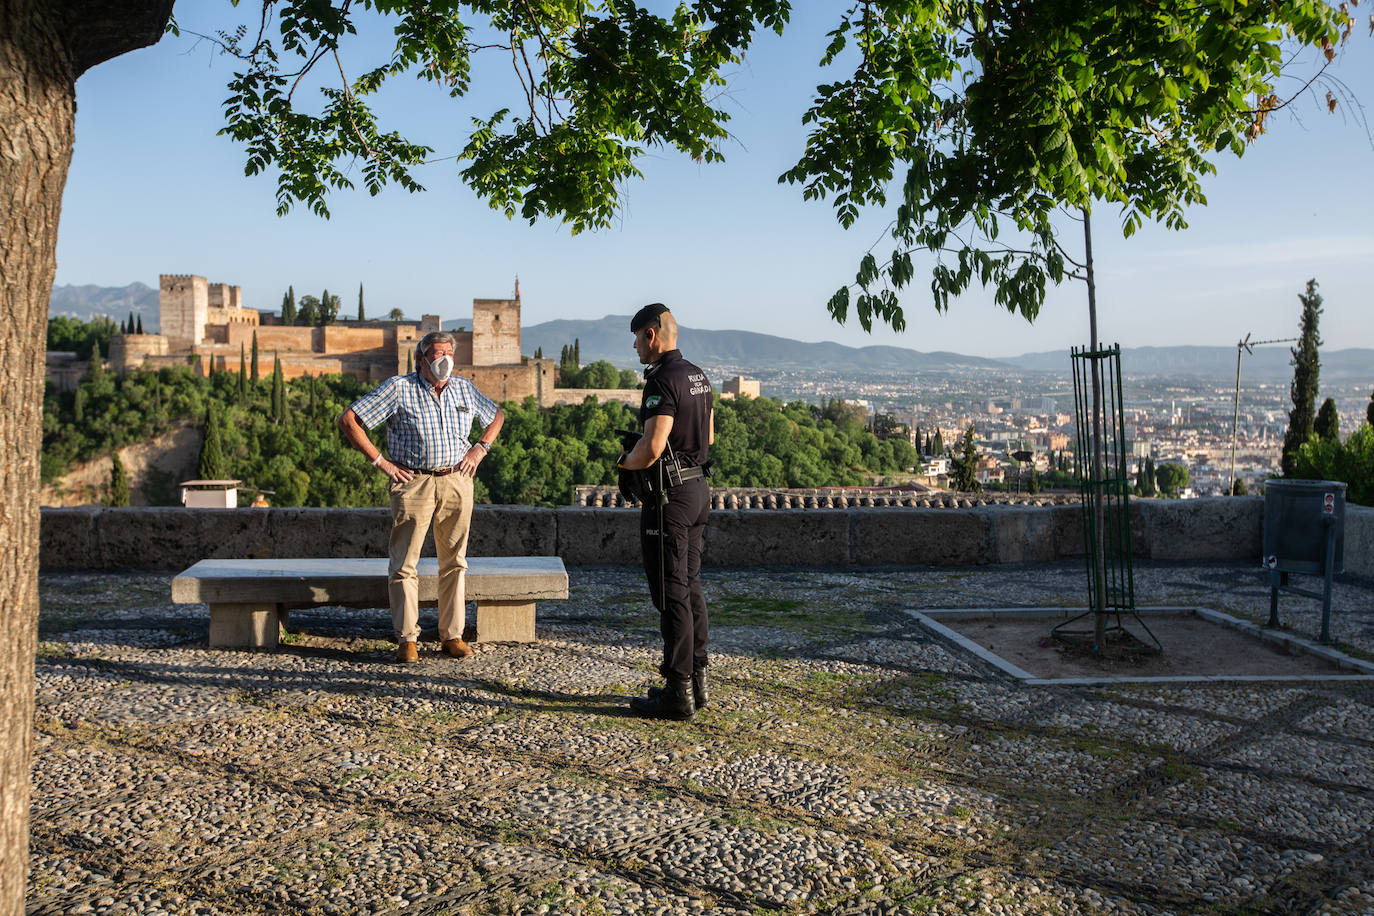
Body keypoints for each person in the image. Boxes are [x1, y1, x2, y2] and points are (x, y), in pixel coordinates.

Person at [337, 331, 504, 663]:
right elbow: (349, 420)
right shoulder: (399, 388)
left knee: (455, 561)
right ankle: (407, 638)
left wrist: (480, 448)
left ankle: (452, 635)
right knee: (404, 564)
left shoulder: (463, 388)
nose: (444, 359)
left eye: (448, 353)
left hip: (457, 480)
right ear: (421, 359)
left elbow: (496, 415)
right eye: (437, 353)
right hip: (414, 483)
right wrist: (380, 462)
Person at [619, 303, 713, 719]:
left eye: (637, 339)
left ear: (651, 336)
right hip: (697, 489)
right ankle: (697, 681)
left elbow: (654, 445)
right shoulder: (697, 375)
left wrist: (623, 465)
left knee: (671, 594)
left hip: (669, 499)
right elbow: (707, 434)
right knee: (690, 588)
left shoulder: (661, 380)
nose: (636, 347)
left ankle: (677, 694)